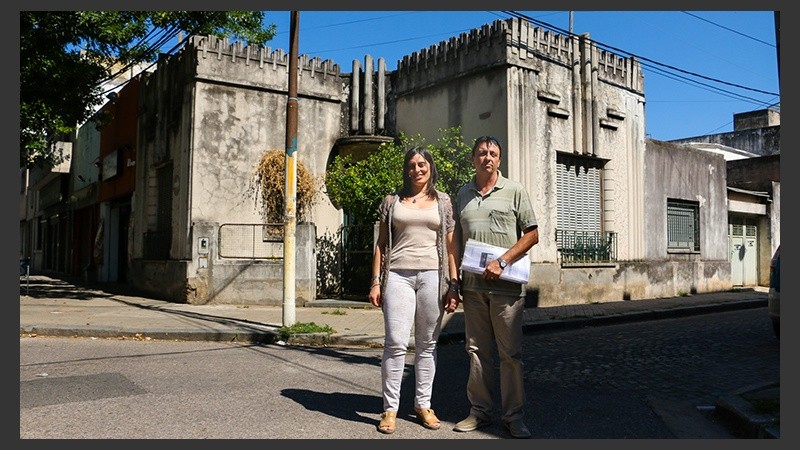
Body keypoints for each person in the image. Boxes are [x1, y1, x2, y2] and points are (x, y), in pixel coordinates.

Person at [369, 146, 461, 435]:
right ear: (406, 169)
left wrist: (454, 285)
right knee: (395, 342)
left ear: (430, 167)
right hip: (397, 276)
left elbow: (450, 247)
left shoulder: (443, 201)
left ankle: (423, 405)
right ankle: (390, 408)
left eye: (422, 164)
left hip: (433, 277)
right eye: (412, 165)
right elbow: (381, 244)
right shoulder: (392, 201)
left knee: (427, 344)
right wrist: (375, 281)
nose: (417, 169)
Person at [453, 135, 539, 439]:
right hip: (473, 288)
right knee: (476, 352)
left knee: (510, 355)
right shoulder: (463, 193)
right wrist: (454, 281)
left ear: (498, 160)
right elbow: (455, 241)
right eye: (481, 153)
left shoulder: (514, 190)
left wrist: (502, 261)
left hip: (507, 288)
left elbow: (532, 234)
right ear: (473, 159)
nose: (487, 157)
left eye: (492, 153)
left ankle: (513, 416)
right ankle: (479, 412)